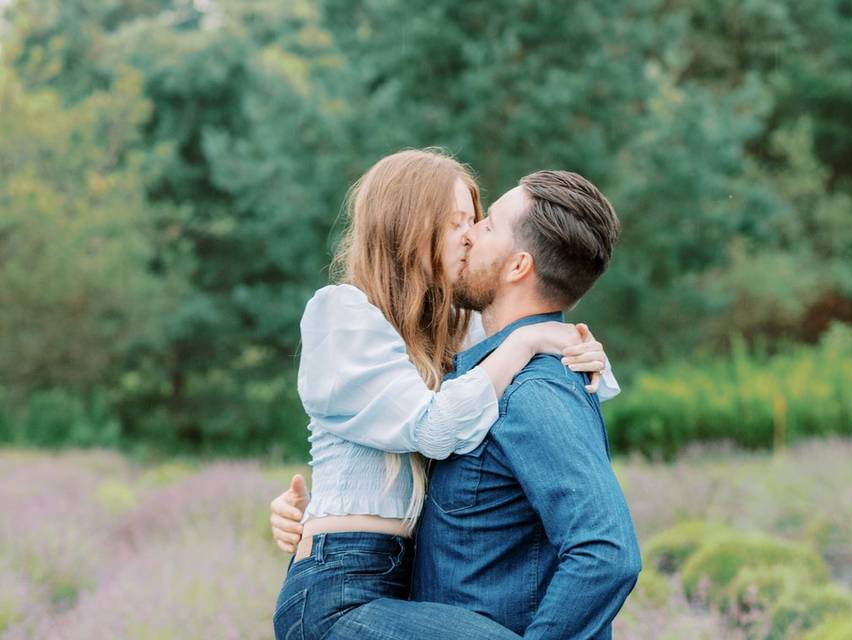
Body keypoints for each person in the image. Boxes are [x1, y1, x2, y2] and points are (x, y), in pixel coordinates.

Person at [273, 167, 642, 639]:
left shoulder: (461, 334)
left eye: (481, 222)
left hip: (398, 587)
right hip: (339, 588)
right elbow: (433, 425)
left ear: (516, 265)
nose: (470, 236)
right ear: (410, 227)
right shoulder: (344, 313)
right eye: (459, 222)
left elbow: (528, 353)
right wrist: (528, 340)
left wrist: (582, 352)